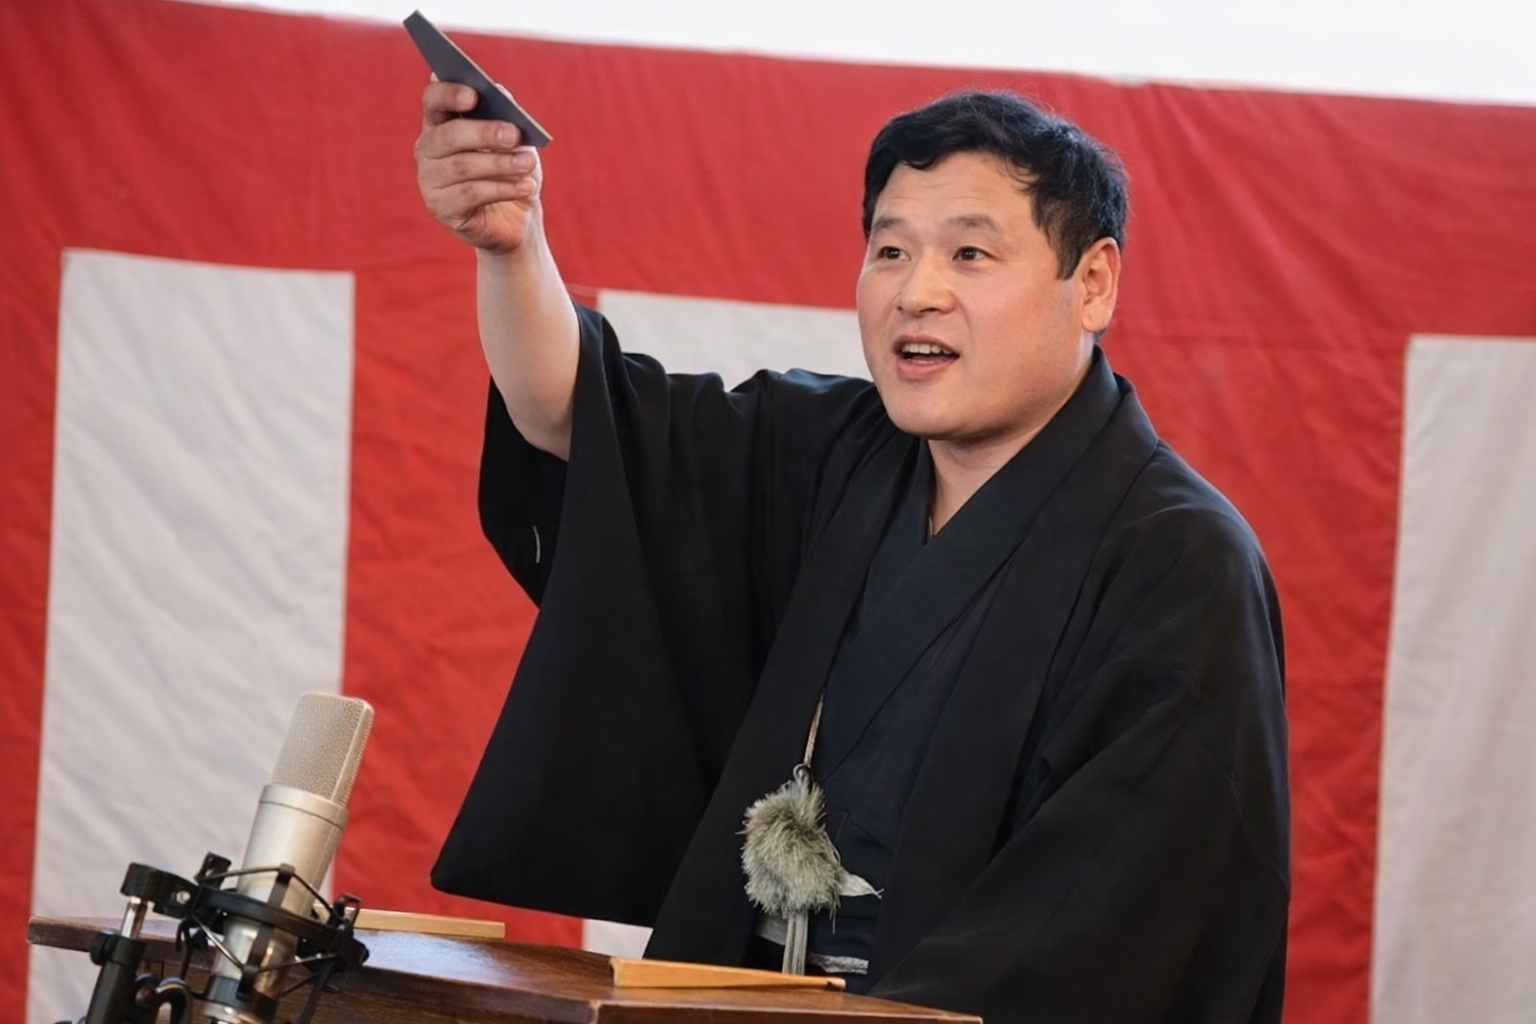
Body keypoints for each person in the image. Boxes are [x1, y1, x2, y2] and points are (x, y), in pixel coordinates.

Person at [417, 84, 1290, 1023]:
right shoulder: (830, 451)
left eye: (969, 253)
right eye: (890, 250)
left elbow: (1112, 913)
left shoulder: (1178, 560)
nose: (917, 292)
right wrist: (512, 246)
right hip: (741, 998)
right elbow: (583, 421)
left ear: (1093, 282)